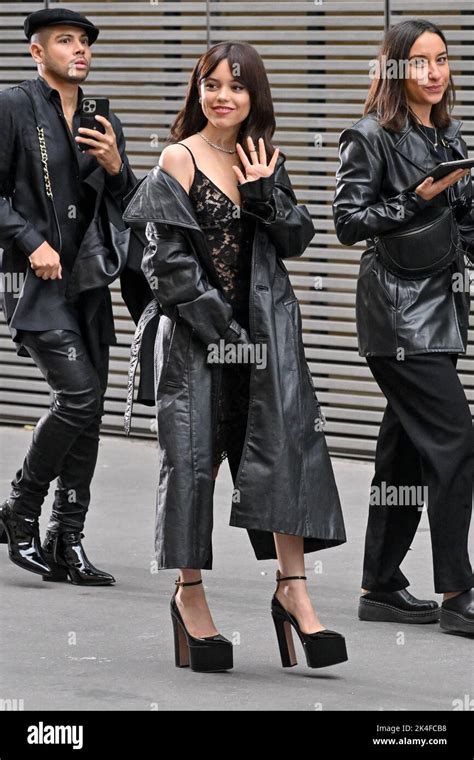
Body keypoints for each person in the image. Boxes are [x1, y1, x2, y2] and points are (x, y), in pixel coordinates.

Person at [123, 41, 348, 671]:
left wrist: (264, 191)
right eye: (212, 83)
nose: (223, 95)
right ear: (197, 91)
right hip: (197, 344)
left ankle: (293, 590)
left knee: (283, 456)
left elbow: (297, 238)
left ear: (256, 97)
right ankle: (189, 597)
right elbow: (164, 264)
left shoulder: (261, 157)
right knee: (193, 468)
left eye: (237, 86)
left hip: (265, 343)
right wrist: (225, 332)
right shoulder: (179, 156)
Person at [333, 19, 474, 637]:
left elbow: (464, 223)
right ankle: (457, 589)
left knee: (405, 451)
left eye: (442, 60)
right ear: (394, 70)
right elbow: (347, 221)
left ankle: (381, 585)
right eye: (420, 62)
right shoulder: (369, 136)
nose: (435, 72)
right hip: (396, 313)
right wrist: (417, 197)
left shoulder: (449, 135)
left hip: (438, 308)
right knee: (455, 442)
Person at [0, 8, 136, 585]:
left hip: (88, 283)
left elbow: (130, 206)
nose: (79, 50)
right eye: (65, 41)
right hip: (34, 282)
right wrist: (31, 243)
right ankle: (20, 510)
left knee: (91, 410)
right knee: (77, 397)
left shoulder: (104, 119)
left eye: (84, 42)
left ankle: (67, 538)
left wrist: (118, 165)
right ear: (37, 51)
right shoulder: (13, 107)